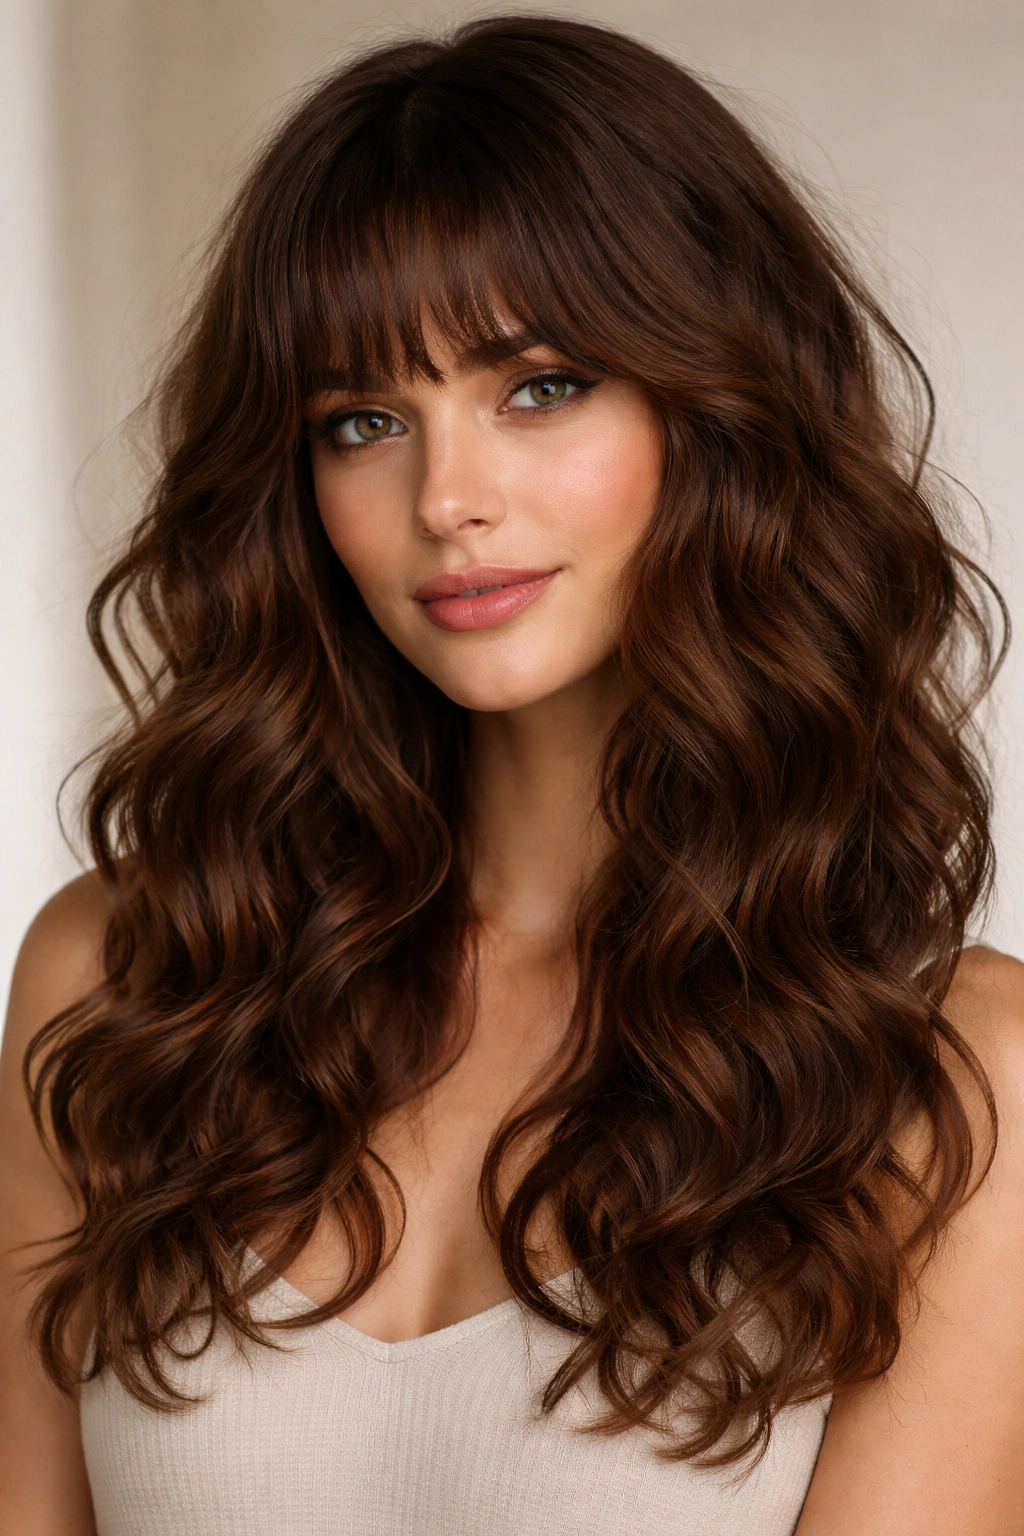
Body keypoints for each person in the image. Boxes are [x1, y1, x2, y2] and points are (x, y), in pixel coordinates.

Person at [2, 14, 1023, 1534]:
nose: (447, 498)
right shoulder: (133, 986)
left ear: (723, 409)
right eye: (362, 421)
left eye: (539, 385)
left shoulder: (945, 1083)